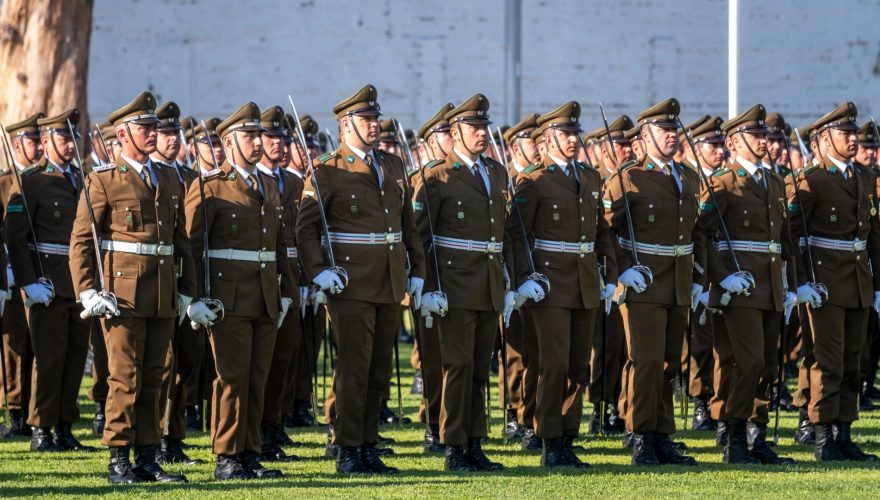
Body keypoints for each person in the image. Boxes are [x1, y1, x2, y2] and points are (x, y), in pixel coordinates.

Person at [296, 84, 425, 474]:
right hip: (349, 282)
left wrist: (416, 271)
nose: (374, 125)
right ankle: (348, 447)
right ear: (345, 125)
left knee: (379, 370)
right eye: (366, 120)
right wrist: (319, 271)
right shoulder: (329, 169)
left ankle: (368, 443)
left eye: (374, 118)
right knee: (353, 368)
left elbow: (409, 228)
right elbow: (305, 229)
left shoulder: (392, 166)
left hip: (388, 280)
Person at [413, 94, 508, 472]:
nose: (482, 134)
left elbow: (505, 232)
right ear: (455, 132)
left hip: (487, 283)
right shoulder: (436, 176)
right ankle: (453, 446)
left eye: (484, 127)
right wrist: (429, 285)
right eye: (473, 128)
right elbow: (422, 238)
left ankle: (474, 441)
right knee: (456, 366)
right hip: (452, 284)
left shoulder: (496, 172)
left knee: (480, 369)